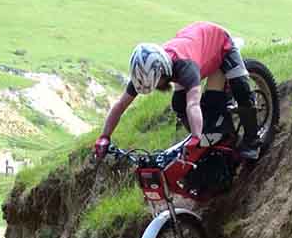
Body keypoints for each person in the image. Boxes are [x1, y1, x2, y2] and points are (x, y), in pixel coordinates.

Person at [94, 21, 261, 161]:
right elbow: (120, 106)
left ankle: (253, 140)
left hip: (219, 43)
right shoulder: (144, 72)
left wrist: (196, 138)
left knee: (240, 89)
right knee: (178, 104)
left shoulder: (185, 67)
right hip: (197, 46)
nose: (157, 88)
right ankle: (212, 138)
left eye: (157, 83)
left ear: (164, 71)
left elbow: (193, 105)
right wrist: (104, 136)